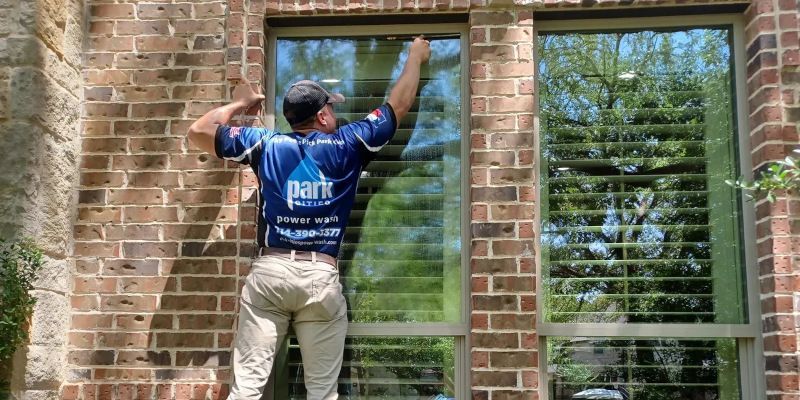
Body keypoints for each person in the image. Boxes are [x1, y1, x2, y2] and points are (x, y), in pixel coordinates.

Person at [187, 36, 431, 400]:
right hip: (319, 276)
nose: (334, 113)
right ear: (321, 115)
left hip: (271, 273)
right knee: (321, 392)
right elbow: (398, 105)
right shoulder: (349, 144)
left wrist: (240, 103)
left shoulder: (266, 144)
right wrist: (415, 57)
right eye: (331, 108)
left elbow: (198, 132)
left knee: (247, 388)